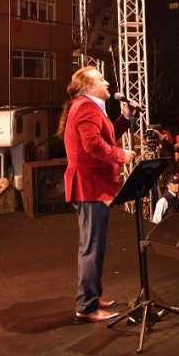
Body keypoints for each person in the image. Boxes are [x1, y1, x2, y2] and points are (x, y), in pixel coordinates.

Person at [58, 66, 136, 324]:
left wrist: (124, 118)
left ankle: (91, 296)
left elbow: (104, 138)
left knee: (93, 246)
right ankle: (87, 306)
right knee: (91, 246)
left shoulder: (89, 106)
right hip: (90, 185)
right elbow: (93, 145)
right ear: (89, 87)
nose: (106, 82)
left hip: (92, 185)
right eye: (101, 79)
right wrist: (121, 156)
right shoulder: (86, 107)